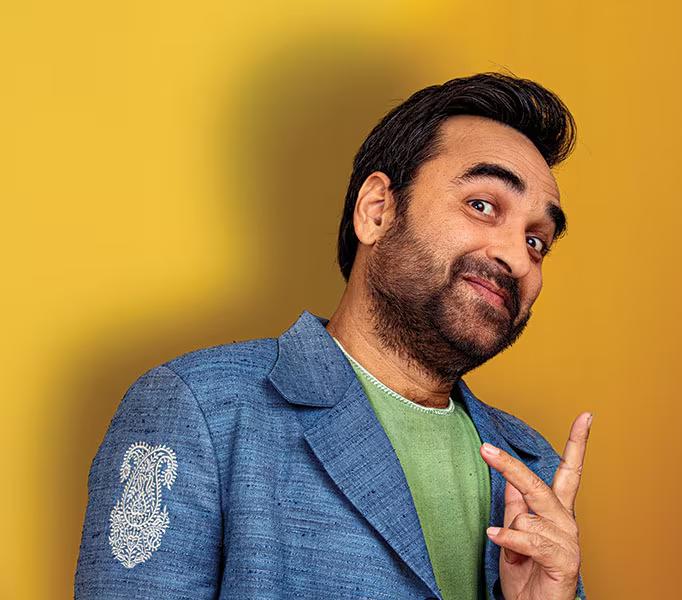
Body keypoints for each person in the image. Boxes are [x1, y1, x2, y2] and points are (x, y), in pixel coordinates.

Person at [75, 72, 593, 600]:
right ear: (377, 210)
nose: (516, 256)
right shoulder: (199, 409)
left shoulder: (534, 470)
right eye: (482, 205)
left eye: (537, 240)